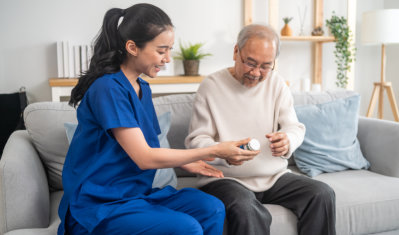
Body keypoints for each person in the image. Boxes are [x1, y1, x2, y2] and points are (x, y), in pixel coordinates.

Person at [57, 4, 259, 235]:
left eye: (170, 50)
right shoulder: (108, 88)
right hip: (99, 205)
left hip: (134, 196)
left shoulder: (142, 88)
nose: (167, 59)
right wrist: (214, 150)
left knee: (211, 207)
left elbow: (149, 143)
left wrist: (185, 162)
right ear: (132, 47)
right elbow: (144, 157)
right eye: (161, 50)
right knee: (186, 227)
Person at [185, 24, 336, 235]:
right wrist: (223, 153)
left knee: (322, 193)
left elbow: (294, 127)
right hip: (224, 179)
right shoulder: (211, 86)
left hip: (273, 177)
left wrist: (288, 140)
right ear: (236, 52)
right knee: (245, 207)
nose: (256, 73)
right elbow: (196, 141)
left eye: (266, 66)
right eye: (250, 63)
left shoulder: (276, 84)